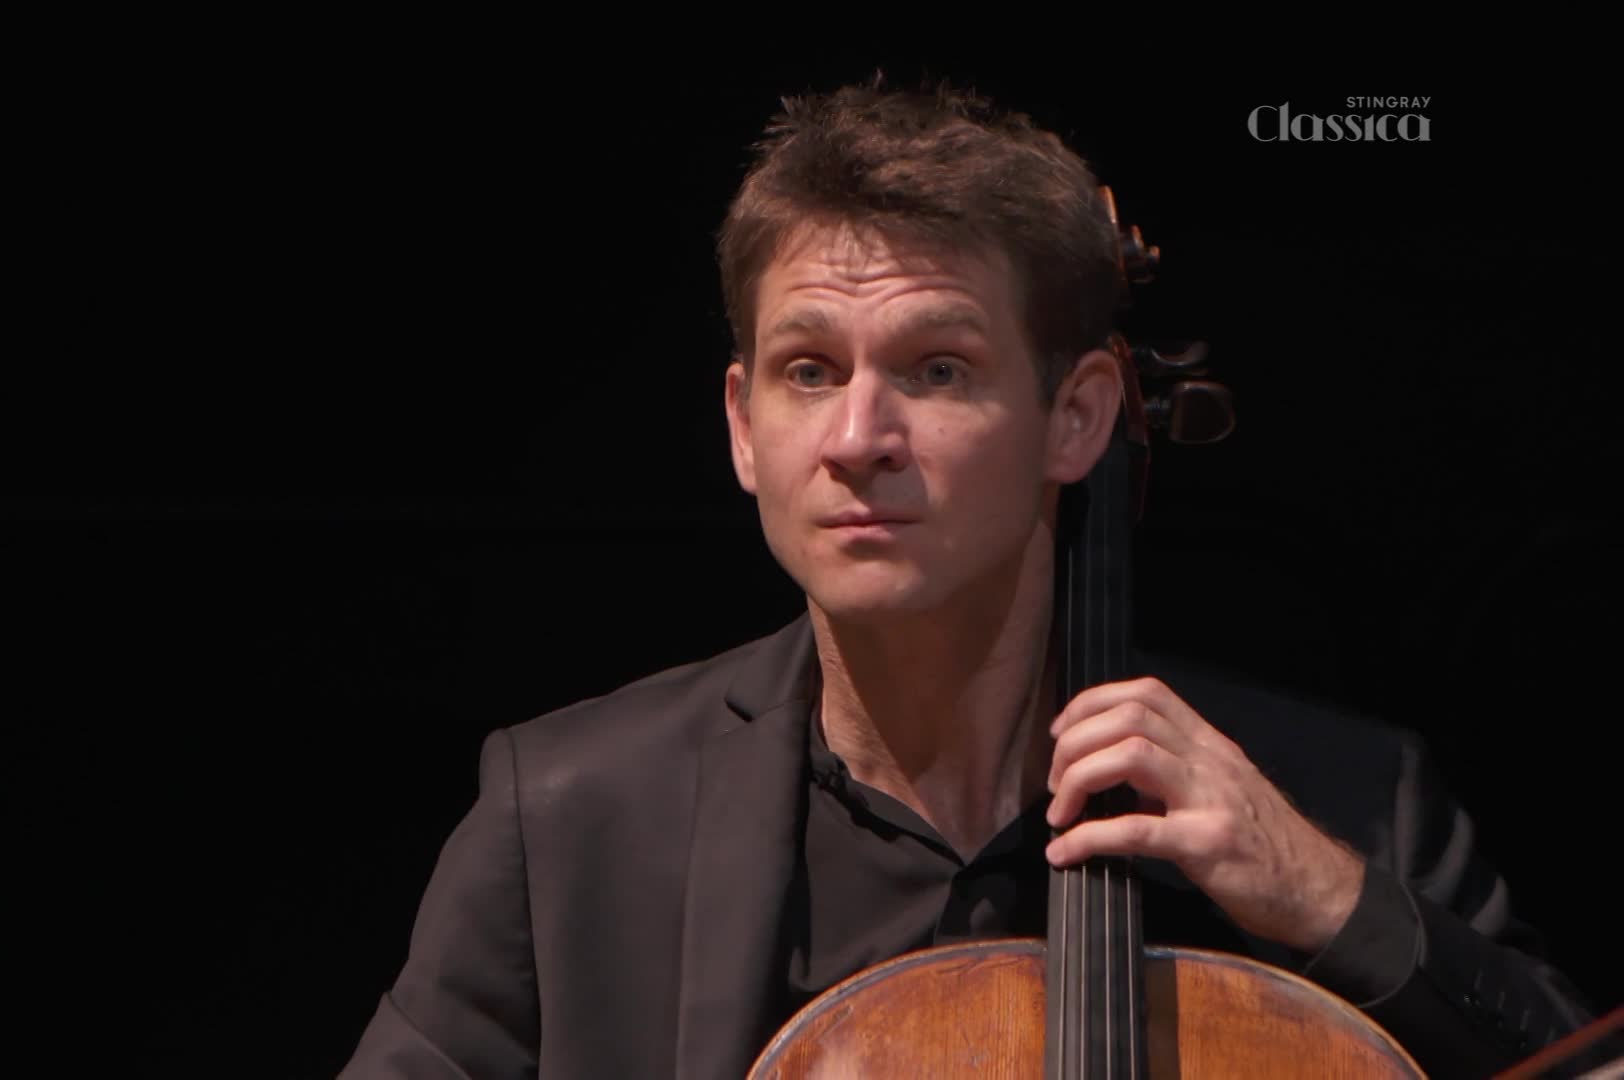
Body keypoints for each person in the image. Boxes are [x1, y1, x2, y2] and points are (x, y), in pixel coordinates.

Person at [341, 75, 1598, 1079]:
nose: (856, 439)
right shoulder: (567, 816)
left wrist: (1328, 896)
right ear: (742, 425)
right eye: (808, 370)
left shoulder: (1347, 798)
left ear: (1081, 416)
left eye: (937, 370)